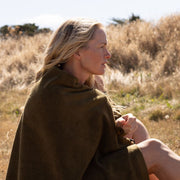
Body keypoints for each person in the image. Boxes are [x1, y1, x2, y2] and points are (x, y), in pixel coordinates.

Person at [6, 18, 180, 180]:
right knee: (155, 151)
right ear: (77, 51)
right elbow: (100, 147)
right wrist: (118, 132)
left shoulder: (53, 86)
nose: (108, 54)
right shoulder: (64, 95)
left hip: (78, 170)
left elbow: (79, 139)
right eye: (101, 46)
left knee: (138, 128)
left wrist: (119, 127)